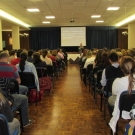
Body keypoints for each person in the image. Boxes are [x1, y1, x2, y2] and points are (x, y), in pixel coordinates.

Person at [108, 56, 135, 134]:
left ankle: (115, 123)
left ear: (122, 69)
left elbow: (114, 93)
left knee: (110, 99)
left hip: (122, 110)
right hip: (133, 109)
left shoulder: (117, 81)